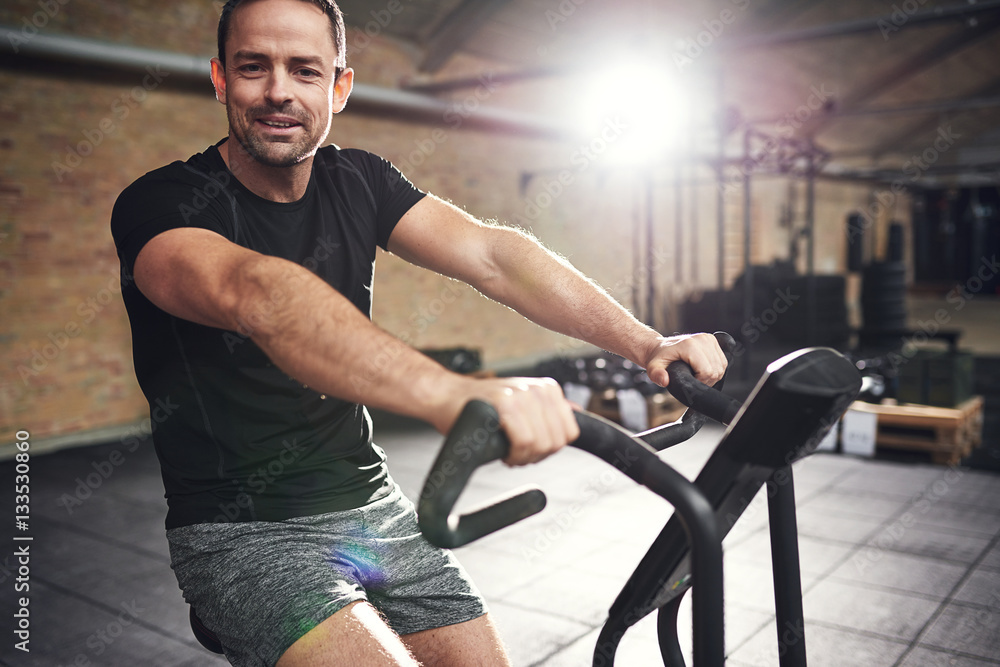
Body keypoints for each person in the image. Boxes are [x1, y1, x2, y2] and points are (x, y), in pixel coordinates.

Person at [110, 0, 728, 664]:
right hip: (242, 530)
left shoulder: (360, 181)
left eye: (305, 70)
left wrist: (648, 343)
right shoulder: (162, 204)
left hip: (376, 506)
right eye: (253, 67)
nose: (279, 91)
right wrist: (450, 392)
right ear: (221, 79)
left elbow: (496, 257)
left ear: (339, 87)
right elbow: (257, 293)